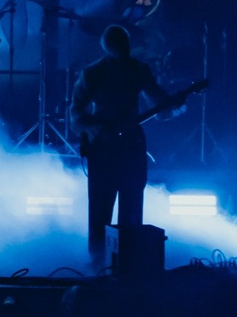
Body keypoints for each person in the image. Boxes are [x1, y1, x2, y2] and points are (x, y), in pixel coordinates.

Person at [71, 25, 169, 264]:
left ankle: (127, 263)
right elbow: (76, 116)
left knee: (130, 208)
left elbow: (160, 105)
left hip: (129, 147)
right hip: (105, 149)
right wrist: (96, 130)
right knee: (101, 210)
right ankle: (98, 263)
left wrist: (171, 106)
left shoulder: (138, 70)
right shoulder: (93, 73)